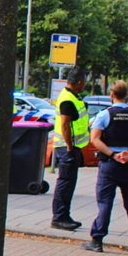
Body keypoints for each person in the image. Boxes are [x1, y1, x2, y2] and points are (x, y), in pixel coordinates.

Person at [81, 81, 128, 255]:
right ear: (127, 95)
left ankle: (97, 239)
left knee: (105, 202)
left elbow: (95, 139)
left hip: (110, 165)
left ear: (112, 94)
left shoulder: (105, 115)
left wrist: (113, 154)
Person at [50, 68, 90, 231]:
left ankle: (64, 215)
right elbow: (65, 125)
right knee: (65, 183)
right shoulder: (67, 99)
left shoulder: (72, 96)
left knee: (68, 183)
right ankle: (59, 217)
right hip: (67, 148)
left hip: (72, 147)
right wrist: (69, 147)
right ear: (80, 82)